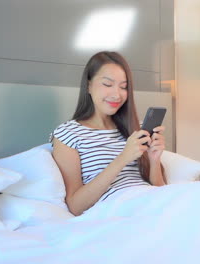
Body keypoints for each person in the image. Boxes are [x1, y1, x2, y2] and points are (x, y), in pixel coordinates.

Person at [50, 51, 167, 216]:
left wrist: (154, 161)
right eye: (107, 84)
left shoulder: (136, 129)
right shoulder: (68, 134)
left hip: (153, 203)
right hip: (119, 210)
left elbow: (162, 192)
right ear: (89, 85)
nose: (116, 94)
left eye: (123, 87)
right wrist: (123, 158)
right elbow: (76, 206)